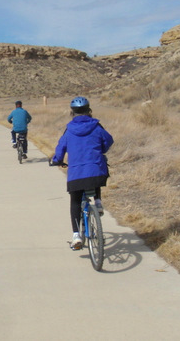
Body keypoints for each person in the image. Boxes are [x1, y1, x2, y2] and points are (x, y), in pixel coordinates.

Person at [50, 96, 114, 250]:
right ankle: (98, 202)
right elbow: (108, 140)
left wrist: (57, 160)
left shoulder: (69, 130)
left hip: (76, 174)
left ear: (72, 112)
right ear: (89, 110)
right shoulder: (97, 126)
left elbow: (60, 150)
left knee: (76, 202)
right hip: (96, 173)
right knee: (95, 168)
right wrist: (101, 149)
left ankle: (76, 235)